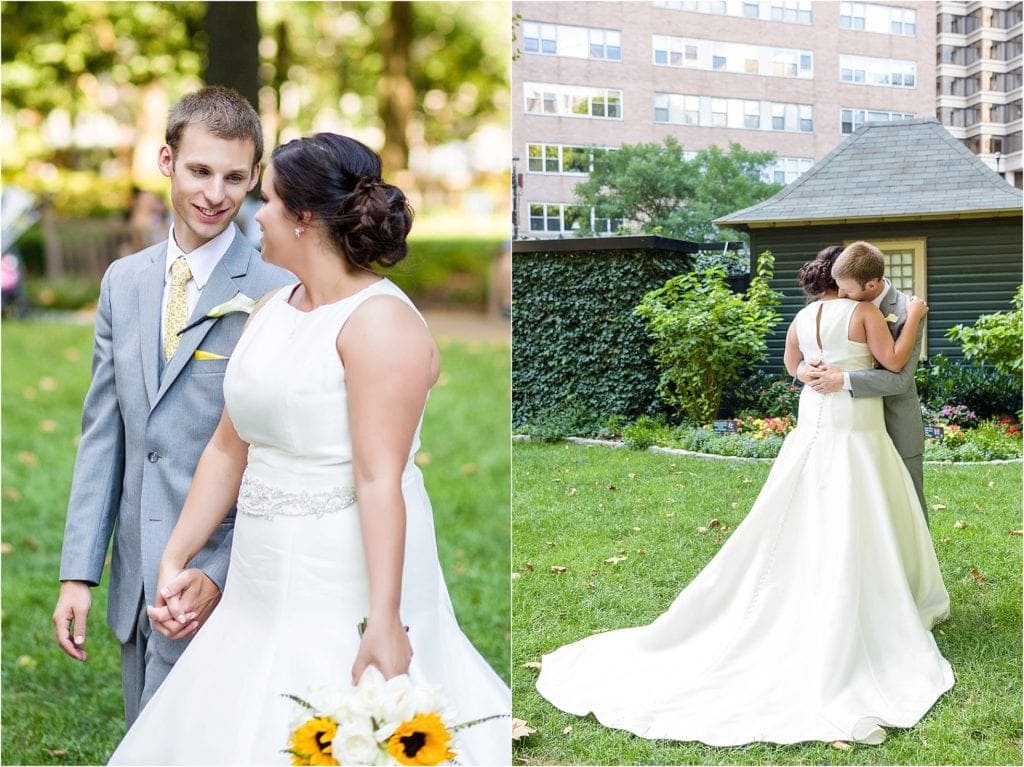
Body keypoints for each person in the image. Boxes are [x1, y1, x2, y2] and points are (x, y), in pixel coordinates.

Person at [108, 133, 511, 764]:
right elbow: (227, 449)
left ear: (303, 218)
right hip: (259, 577)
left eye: (266, 201)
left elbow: (378, 479)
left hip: (344, 573)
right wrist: (175, 557)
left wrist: (385, 618)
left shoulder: (381, 324)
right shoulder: (272, 307)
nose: (254, 215)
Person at [535, 245, 953, 746]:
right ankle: (864, 593)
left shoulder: (803, 316)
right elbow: (896, 361)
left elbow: (791, 363)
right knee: (859, 501)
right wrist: (915, 319)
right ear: (851, 282)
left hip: (816, 418)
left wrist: (809, 374)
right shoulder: (865, 312)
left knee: (814, 500)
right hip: (853, 426)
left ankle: (828, 579)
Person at [52, 86, 293, 726]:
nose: (215, 194)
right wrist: (79, 572)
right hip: (138, 579)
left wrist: (216, 568)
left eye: (234, 177)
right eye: (199, 171)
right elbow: (105, 433)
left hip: (229, 575)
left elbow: (280, 457)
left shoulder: (279, 290)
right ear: (166, 160)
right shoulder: (123, 281)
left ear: (255, 177)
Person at [800, 241, 929, 524]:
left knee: (908, 503)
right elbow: (809, 353)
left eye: (846, 291)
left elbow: (901, 380)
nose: (840, 295)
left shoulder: (908, 310)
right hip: (852, 422)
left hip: (895, 422)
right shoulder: (840, 302)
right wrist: (802, 370)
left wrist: (843, 379)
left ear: (871, 285)